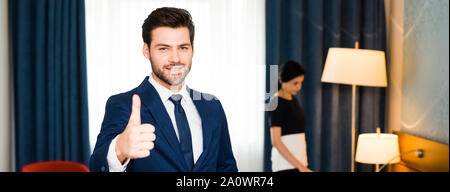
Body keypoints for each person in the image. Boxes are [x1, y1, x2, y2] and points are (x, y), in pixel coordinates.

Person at [89, 7, 238, 172]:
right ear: (147, 51)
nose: (175, 58)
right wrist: (119, 150)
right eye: (164, 48)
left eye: (183, 48)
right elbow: (97, 166)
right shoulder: (123, 105)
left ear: (192, 48)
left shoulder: (212, 106)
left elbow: (227, 167)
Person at [269, 61, 312, 172]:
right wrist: (300, 167)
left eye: (301, 83)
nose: (299, 87)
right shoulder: (276, 103)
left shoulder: (294, 100)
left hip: (299, 162)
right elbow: (276, 141)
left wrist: (301, 165)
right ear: (283, 81)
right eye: (295, 83)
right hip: (285, 166)